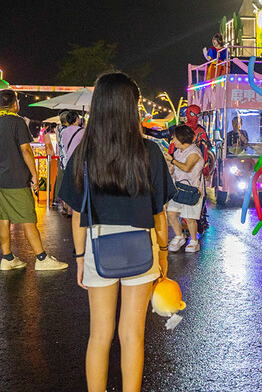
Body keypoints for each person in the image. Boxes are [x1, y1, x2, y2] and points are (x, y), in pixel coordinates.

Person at [59, 72, 175, 392]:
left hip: (98, 245)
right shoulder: (149, 151)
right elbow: (159, 212)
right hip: (142, 245)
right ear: (131, 106)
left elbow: (77, 212)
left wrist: (80, 258)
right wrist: (163, 254)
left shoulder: (84, 153)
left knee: (99, 335)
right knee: (132, 335)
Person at [0, 89, 68, 271]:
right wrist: (35, 175)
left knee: (3, 219)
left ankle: (7, 258)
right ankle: (42, 259)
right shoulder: (18, 122)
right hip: (16, 178)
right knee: (28, 219)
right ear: (15, 103)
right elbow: (26, 150)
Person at [165, 125, 204, 253]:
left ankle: (194, 241)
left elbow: (187, 167)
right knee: (171, 213)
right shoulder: (178, 151)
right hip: (178, 187)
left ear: (181, 138)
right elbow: (176, 168)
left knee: (190, 218)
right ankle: (179, 236)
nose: (173, 141)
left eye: (175, 138)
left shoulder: (194, 152)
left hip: (191, 189)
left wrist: (172, 160)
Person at [56, 111, 85, 217]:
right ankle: (75, 209)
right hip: (78, 161)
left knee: (69, 185)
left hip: (68, 160)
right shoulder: (82, 131)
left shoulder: (64, 131)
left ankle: (67, 208)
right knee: (77, 186)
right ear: (76, 119)